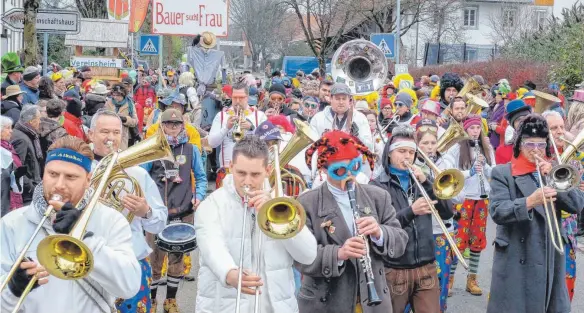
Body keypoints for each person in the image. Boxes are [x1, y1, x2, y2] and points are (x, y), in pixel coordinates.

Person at [0, 135, 141, 312]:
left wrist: (83, 237)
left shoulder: (110, 220)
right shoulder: (12, 223)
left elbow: (129, 286)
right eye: (52, 174)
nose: (59, 185)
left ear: (88, 180)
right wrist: (13, 289)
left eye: (71, 177)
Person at [194, 136, 317, 312]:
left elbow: (308, 255)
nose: (248, 182)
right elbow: (211, 246)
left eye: (255, 174)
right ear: (231, 168)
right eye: (241, 173)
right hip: (224, 306)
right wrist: (229, 272)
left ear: (268, 170)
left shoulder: (282, 204)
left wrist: (279, 216)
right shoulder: (212, 205)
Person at [296, 130, 408, 313]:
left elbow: (401, 241)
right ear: (324, 169)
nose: (349, 175)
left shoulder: (378, 196)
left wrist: (380, 233)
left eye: (355, 167)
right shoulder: (306, 203)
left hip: (373, 300)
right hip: (326, 301)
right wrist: (338, 254)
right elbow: (300, 258)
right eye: (339, 170)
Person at [487, 114, 584, 313]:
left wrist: (555, 176)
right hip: (516, 257)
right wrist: (529, 202)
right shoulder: (503, 173)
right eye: (530, 145)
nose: (536, 151)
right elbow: (497, 211)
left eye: (540, 145)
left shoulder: (554, 170)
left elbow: (577, 205)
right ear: (519, 145)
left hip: (549, 257)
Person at [88, 109, 168, 313]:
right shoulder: (81, 170)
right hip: (89, 262)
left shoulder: (137, 173)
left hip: (132, 260)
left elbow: (160, 222)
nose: (111, 138)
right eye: (104, 132)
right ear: (91, 134)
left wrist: (146, 211)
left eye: (116, 132)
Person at [370, 124, 453, 313]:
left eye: (410, 152)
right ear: (389, 154)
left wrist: (427, 182)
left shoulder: (422, 180)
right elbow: (381, 228)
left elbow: (448, 212)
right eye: (401, 151)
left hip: (427, 266)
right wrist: (411, 211)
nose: (407, 156)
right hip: (395, 268)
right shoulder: (377, 185)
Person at [142, 108, 207, 313]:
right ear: (161, 126)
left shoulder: (191, 149)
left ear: (182, 126)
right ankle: (152, 301)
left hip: (184, 210)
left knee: (177, 259)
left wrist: (199, 197)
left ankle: (170, 301)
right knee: (155, 258)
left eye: (176, 124)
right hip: (157, 213)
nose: (172, 128)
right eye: (168, 125)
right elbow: (142, 178)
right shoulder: (152, 149)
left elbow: (202, 177)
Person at [442, 114, 495, 296]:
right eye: (472, 128)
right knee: (459, 240)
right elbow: (450, 173)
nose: (475, 131)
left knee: (477, 239)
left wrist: (485, 166)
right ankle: (450, 278)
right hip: (464, 199)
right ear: (466, 129)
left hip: (482, 198)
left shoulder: (486, 147)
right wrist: (470, 172)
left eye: (478, 128)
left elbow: (492, 170)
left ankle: (472, 278)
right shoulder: (457, 149)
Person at [413, 119, 456, 312]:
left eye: (432, 143)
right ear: (417, 145)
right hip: (418, 230)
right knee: (416, 281)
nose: (429, 148)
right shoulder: (411, 163)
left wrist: (428, 179)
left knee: (439, 280)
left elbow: (451, 201)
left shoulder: (444, 162)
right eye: (425, 144)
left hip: (440, 230)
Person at [208, 81, 267, 187]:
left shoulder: (260, 116)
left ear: (248, 97)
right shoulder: (221, 116)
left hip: (253, 172)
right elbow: (212, 143)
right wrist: (226, 128)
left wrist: (251, 128)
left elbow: (267, 143)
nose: (237, 101)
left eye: (241, 97)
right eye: (234, 97)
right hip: (227, 172)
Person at [310, 83, 373, 150]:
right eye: (337, 99)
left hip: (352, 160)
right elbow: (311, 146)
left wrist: (358, 137)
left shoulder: (360, 118)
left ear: (349, 100)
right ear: (331, 98)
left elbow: (369, 147)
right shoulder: (318, 118)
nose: (341, 102)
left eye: (344, 99)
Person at [11, 105, 43, 205]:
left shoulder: (27, 134)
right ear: (31, 121)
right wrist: (30, 187)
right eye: (39, 119)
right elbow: (17, 169)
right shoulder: (22, 139)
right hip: (27, 194)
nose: (40, 122)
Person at [1, 115, 23, 214]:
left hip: (10, 196)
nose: (11, 131)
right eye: (8, 128)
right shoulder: (2, 150)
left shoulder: (8, 146)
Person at [105, 83, 138, 149]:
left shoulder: (130, 104)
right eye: (113, 95)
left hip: (123, 136)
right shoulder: (108, 103)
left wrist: (125, 119)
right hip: (110, 133)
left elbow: (135, 121)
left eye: (117, 95)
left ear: (123, 95)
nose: (115, 97)